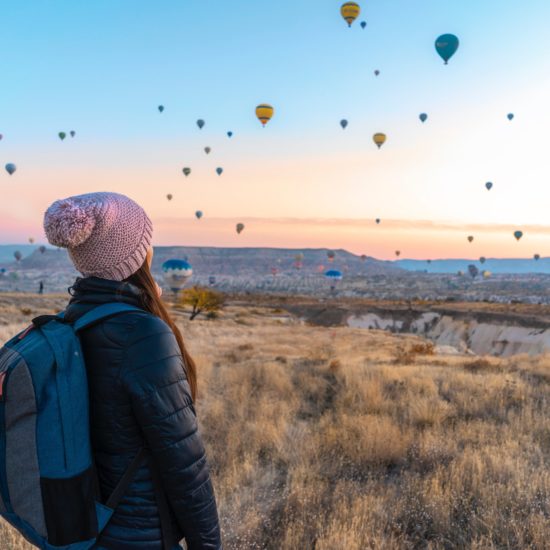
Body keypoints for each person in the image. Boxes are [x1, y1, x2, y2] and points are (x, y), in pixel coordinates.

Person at [43, 192, 222, 550]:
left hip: (81, 530)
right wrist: (208, 544)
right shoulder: (142, 334)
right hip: (139, 533)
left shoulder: (69, 324)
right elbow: (183, 460)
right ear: (137, 255)